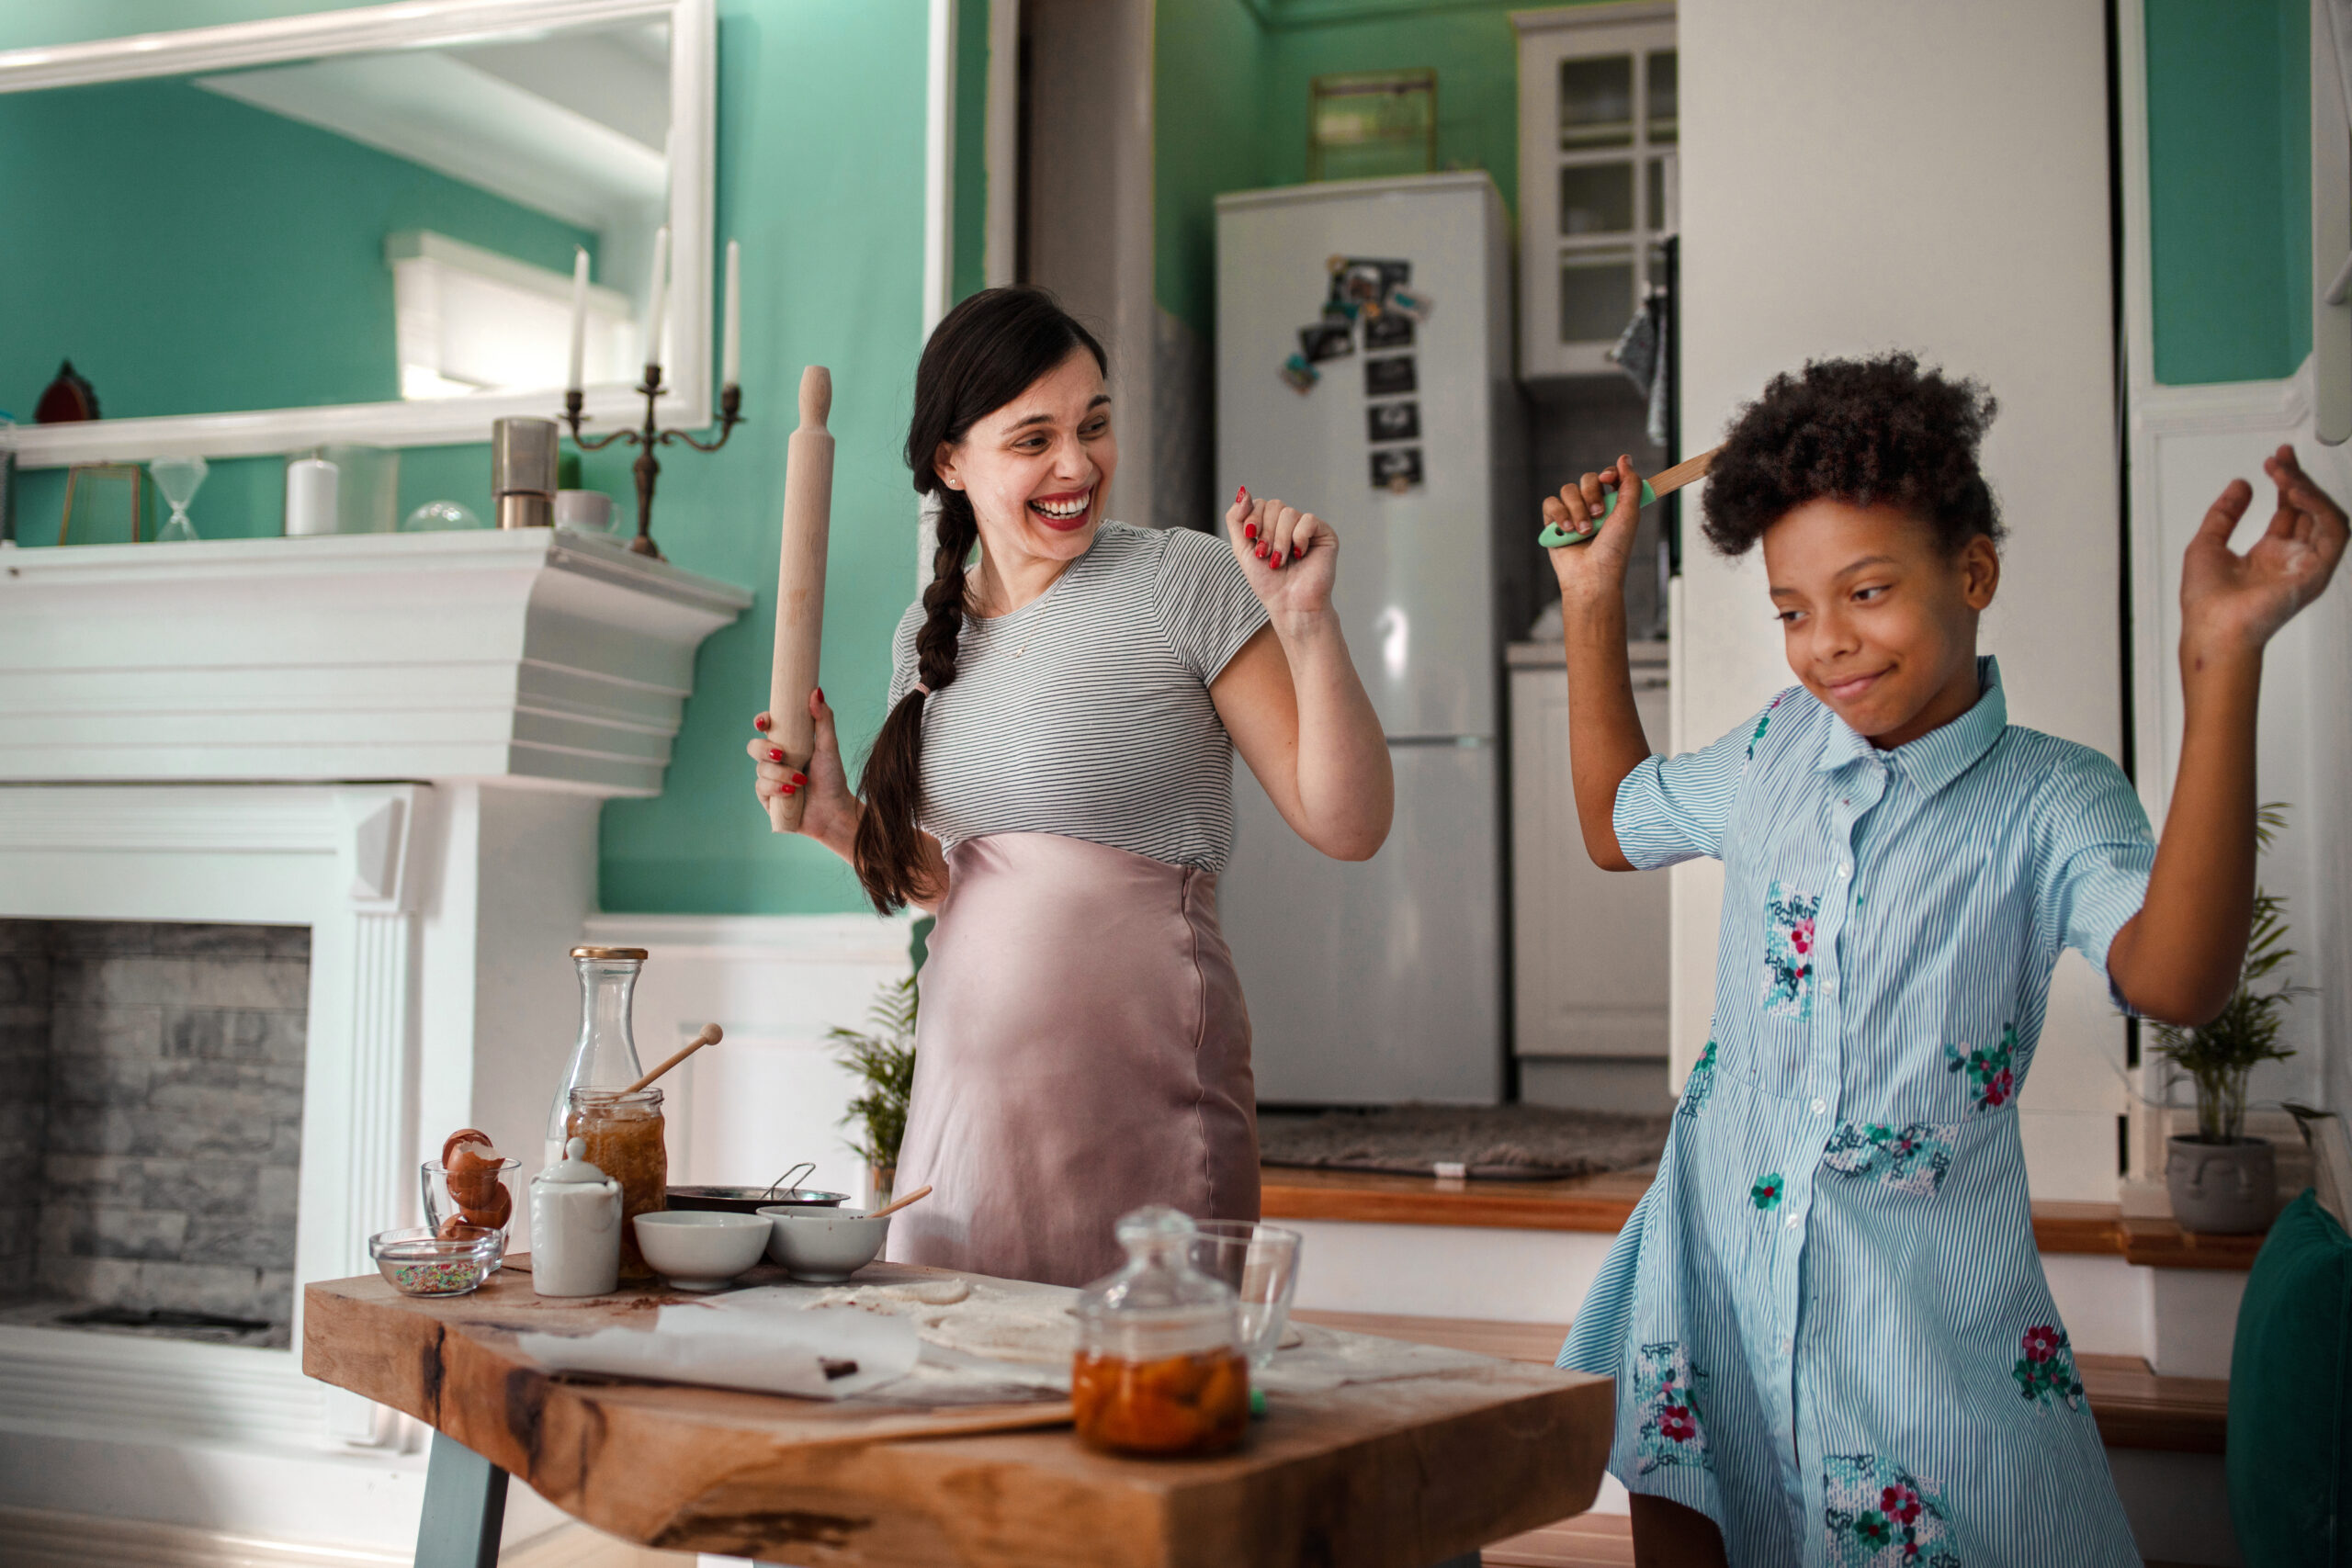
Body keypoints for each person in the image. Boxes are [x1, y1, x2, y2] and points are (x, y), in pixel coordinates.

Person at [1544, 354, 2346, 1566]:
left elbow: (2179, 980)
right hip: (1713, 1287)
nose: (1826, 645)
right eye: (1792, 609)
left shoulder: (2054, 799)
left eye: (1867, 591)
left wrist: (2220, 661)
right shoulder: (1775, 746)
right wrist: (1593, 594)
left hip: (1921, 1346)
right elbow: (1617, 822)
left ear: (1972, 570)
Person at [747, 287, 1393, 1288]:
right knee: (965, 1394)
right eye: (1033, 439)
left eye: (1093, 425)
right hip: (968, 1101)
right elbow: (957, 883)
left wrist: (1307, 624)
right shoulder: (924, 641)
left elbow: (1348, 824)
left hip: (1147, 1084)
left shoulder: (1185, 578)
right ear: (949, 462)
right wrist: (836, 818)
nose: (1076, 465)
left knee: (1156, 1391)